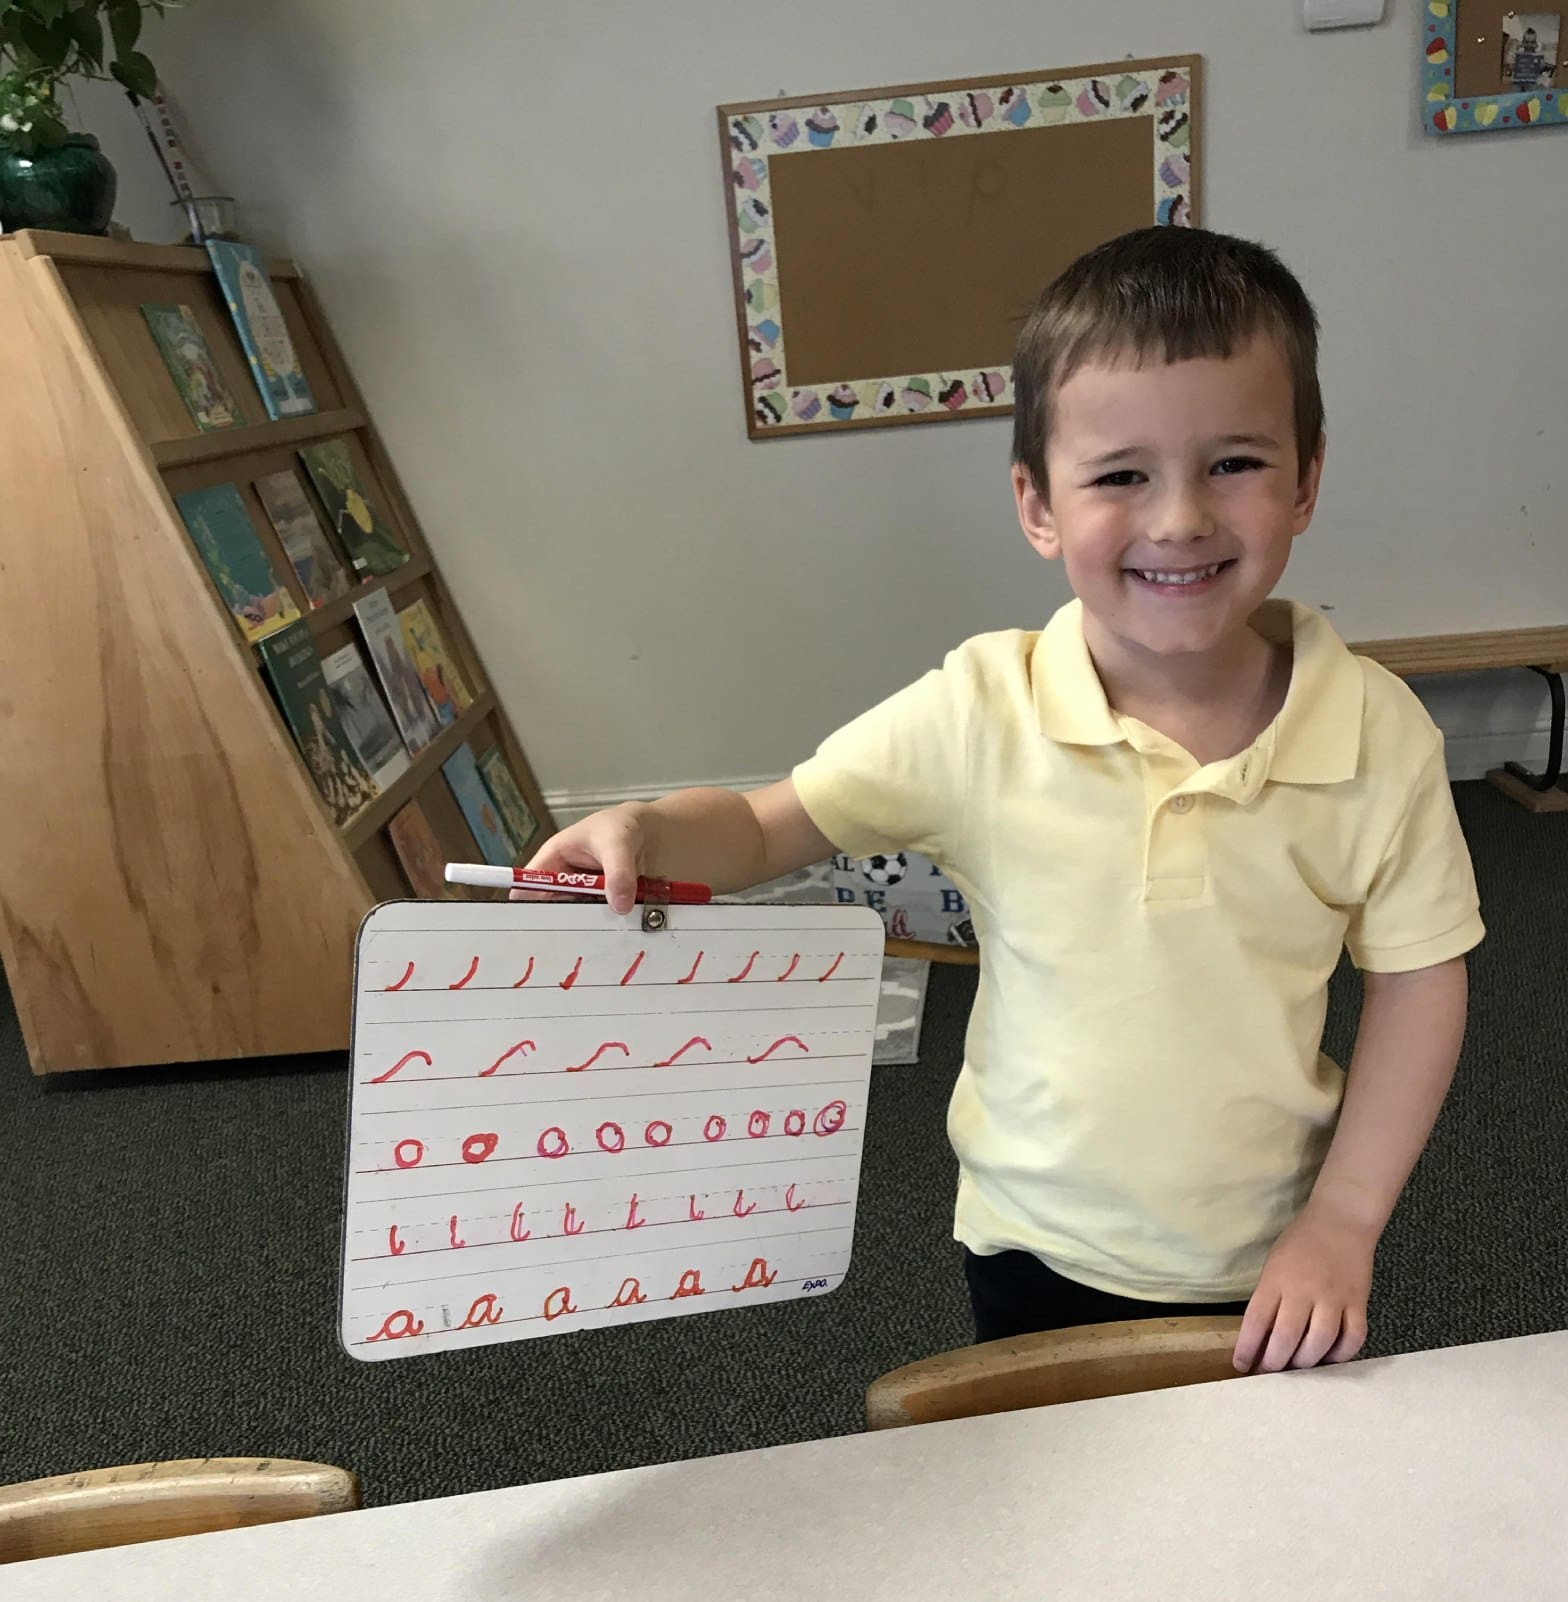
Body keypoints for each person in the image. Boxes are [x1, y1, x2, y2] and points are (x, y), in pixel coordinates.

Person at [522, 227, 1483, 1374]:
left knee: (1246, 1529)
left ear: (1306, 478)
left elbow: (1419, 982)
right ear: (1036, 505)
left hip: (1268, 1248)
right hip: (1033, 1239)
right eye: (1119, 475)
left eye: (1232, 462)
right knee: (1057, 1510)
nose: (1177, 518)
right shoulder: (981, 707)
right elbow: (767, 824)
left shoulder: (1375, 731)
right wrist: (646, 830)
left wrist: (1343, 1219)